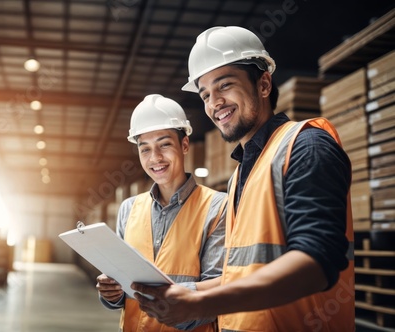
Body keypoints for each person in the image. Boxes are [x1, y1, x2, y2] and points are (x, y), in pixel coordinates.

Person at [132, 26, 355, 331]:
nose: (214, 103)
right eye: (206, 94)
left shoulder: (306, 146)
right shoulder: (242, 174)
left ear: (263, 84)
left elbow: (316, 263)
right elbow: (244, 273)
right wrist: (187, 293)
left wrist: (201, 303)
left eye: (225, 85)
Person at [96, 94, 228, 331]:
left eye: (164, 144)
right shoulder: (129, 209)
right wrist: (111, 293)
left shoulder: (218, 207)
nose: (155, 158)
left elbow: (219, 294)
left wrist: (167, 303)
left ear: (184, 144)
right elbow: (122, 292)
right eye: (144, 149)